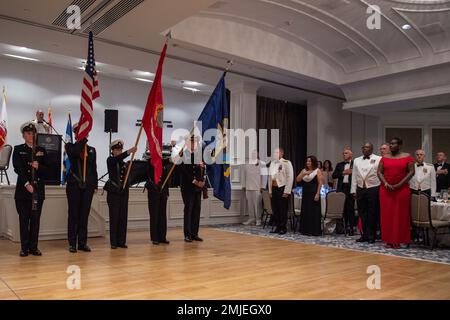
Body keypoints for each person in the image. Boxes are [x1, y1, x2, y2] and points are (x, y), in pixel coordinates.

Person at [12, 122, 48, 257]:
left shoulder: (41, 150)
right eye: (28, 133)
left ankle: (34, 247)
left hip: (38, 191)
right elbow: (18, 168)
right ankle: (24, 248)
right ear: (23, 135)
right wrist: (27, 184)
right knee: (24, 220)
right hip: (23, 192)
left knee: (35, 220)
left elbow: (49, 170)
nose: (31, 135)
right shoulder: (18, 149)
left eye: (33, 133)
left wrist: (39, 166)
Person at [65, 123, 98, 253]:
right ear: (76, 133)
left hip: (88, 187)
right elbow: (75, 152)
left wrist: (94, 185)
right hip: (74, 186)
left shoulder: (92, 150)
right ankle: (72, 243)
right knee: (74, 215)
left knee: (84, 215)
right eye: (81, 132)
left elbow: (94, 169)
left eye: (85, 132)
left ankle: (82, 242)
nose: (85, 134)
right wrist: (83, 139)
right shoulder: (70, 146)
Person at [378, 137, 415, 249]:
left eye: (393, 144)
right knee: (387, 214)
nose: (391, 146)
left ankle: (400, 239)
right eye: (390, 144)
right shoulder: (384, 157)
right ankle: (389, 240)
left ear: (400, 145)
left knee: (401, 215)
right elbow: (379, 172)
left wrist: (399, 185)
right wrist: (385, 183)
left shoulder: (407, 157)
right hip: (386, 189)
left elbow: (411, 172)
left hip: (402, 189)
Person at [104, 140, 136, 249]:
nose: (119, 151)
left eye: (120, 150)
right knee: (114, 218)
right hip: (113, 193)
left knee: (123, 217)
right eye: (117, 150)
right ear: (112, 151)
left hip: (123, 193)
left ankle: (121, 241)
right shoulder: (110, 160)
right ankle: (113, 242)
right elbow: (117, 159)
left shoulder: (123, 163)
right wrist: (128, 152)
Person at [172, 135, 204, 243]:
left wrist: (202, 181)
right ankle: (187, 234)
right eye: (192, 142)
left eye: (195, 142)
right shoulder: (184, 155)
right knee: (188, 210)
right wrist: (196, 182)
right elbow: (185, 172)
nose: (194, 144)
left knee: (197, 210)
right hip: (188, 187)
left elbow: (201, 170)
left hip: (198, 188)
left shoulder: (198, 155)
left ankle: (195, 234)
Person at [351, 143, 381, 244]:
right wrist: (353, 190)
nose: (364, 149)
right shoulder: (356, 160)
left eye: (367, 147)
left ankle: (372, 236)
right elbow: (354, 175)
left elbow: (380, 174)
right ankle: (364, 235)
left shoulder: (379, 159)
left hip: (373, 188)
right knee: (362, 213)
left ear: (372, 148)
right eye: (363, 147)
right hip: (360, 189)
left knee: (372, 213)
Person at [268, 148, 294, 235]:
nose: (275, 154)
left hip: (282, 188)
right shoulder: (272, 163)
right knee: (275, 209)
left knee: (282, 208)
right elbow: (269, 178)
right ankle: (277, 226)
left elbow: (290, 177)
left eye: (277, 152)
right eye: (274, 153)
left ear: (282, 154)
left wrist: (287, 191)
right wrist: (270, 190)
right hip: (274, 188)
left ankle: (283, 227)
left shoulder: (286, 162)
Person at [146, 157, 171, 245]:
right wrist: (170, 159)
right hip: (154, 192)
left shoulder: (163, 166)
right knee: (154, 215)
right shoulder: (151, 161)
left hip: (163, 192)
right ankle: (155, 238)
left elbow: (166, 179)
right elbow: (157, 162)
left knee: (162, 215)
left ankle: (162, 237)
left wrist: (167, 192)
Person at [296, 156, 323, 236]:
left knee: (313, 211)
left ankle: (314, 230)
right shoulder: (304, 170)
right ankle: (305, 230)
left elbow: (320, 183)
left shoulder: (317, 171)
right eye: (307, 161)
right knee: (306, 211)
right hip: (306, 193)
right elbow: (298, 179)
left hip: (314, 193)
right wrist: (303, 173)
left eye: (310, 161)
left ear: (313, 162)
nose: (308, 163)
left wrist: (317, 193)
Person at [332, 148, 355, 235]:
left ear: (350, 155)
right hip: (341, 188)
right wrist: (343, 172)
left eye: (346, 153)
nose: (344, 155)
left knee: (350, 209)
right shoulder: (339, 165)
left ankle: (351, 228)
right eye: (343, 153)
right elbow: (334, 176)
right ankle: (341, 228)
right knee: (341, 209)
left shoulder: (355, 164)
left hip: (350, 188)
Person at [242, 150, 267, 226]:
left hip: (257, 188)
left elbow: (265, 176)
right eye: (252, 154)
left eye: (254, 154)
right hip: (248, 187)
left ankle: (258, 219)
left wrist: (262, 186)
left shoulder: (262, 164)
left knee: (257, 205)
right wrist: (244, 186)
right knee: (250, 205)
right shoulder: (247, 164)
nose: (253, 156)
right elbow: (244, 175)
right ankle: (251, 218)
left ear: (257, 155)